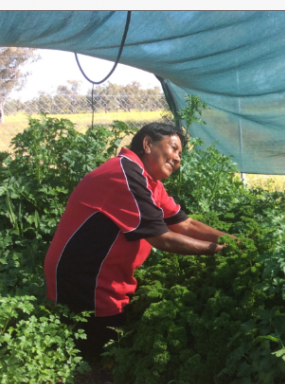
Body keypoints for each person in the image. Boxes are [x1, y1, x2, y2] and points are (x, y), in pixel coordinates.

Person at [44, 122, 235, 358]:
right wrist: (220, 250)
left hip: (109, 284)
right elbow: (162, 238)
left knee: (123, 344)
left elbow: (185, 224)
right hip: (85, 286)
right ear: (147, 144)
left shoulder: (148, 182)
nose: (177, 159)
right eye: (174, 148)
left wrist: (236, 242)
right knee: (108, 355)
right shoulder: (125, 173)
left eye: (180, 154)